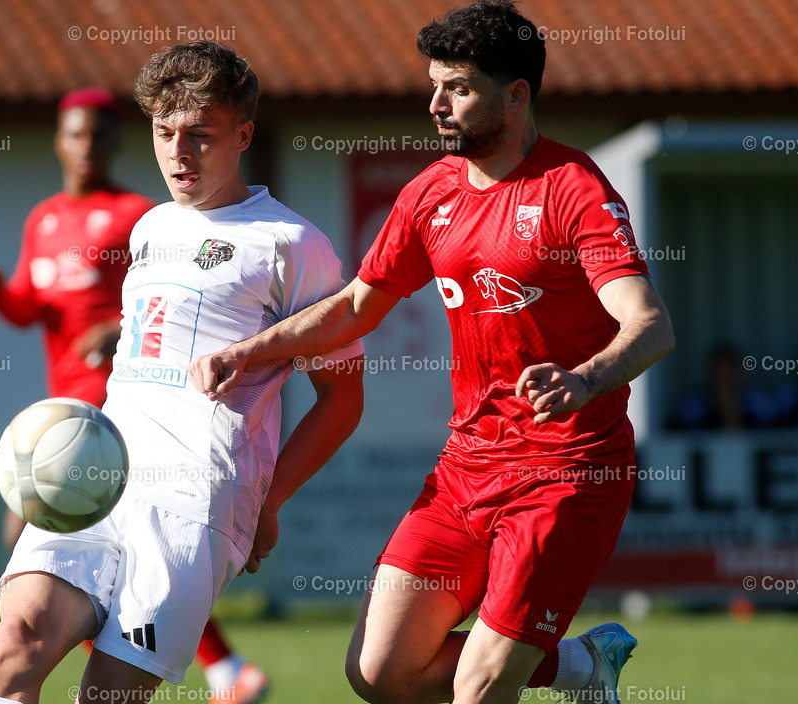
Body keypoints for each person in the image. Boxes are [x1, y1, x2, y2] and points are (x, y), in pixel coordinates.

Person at [190, 3, 675, 704]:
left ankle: (549, 666)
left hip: (566, 474)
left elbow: (651, 325)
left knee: (478, 691)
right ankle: (582, 666)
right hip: (463, 473)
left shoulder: (573, 188)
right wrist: (253, 350)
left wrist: (585, 377)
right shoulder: (431, 193)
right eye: (434, 85)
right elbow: (358, 305)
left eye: (459, 88)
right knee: (378, 672)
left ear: (516, 95)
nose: (436, 104)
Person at [0, 42, 364, 704]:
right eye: (163, 132)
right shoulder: (149, 229)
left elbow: (341, 401)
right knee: (16, 643)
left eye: (200, 136)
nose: (179, 152)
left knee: (109, 696)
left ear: (242, 135)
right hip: (97, 481)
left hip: (195, 505)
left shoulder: (294, 245)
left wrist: (272, 500)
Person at [669, 343, 776, 430]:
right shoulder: (692, 405)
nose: (724, 379)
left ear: (740, 373)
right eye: (718, 374)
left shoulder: (760, 403)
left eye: (729, 373)